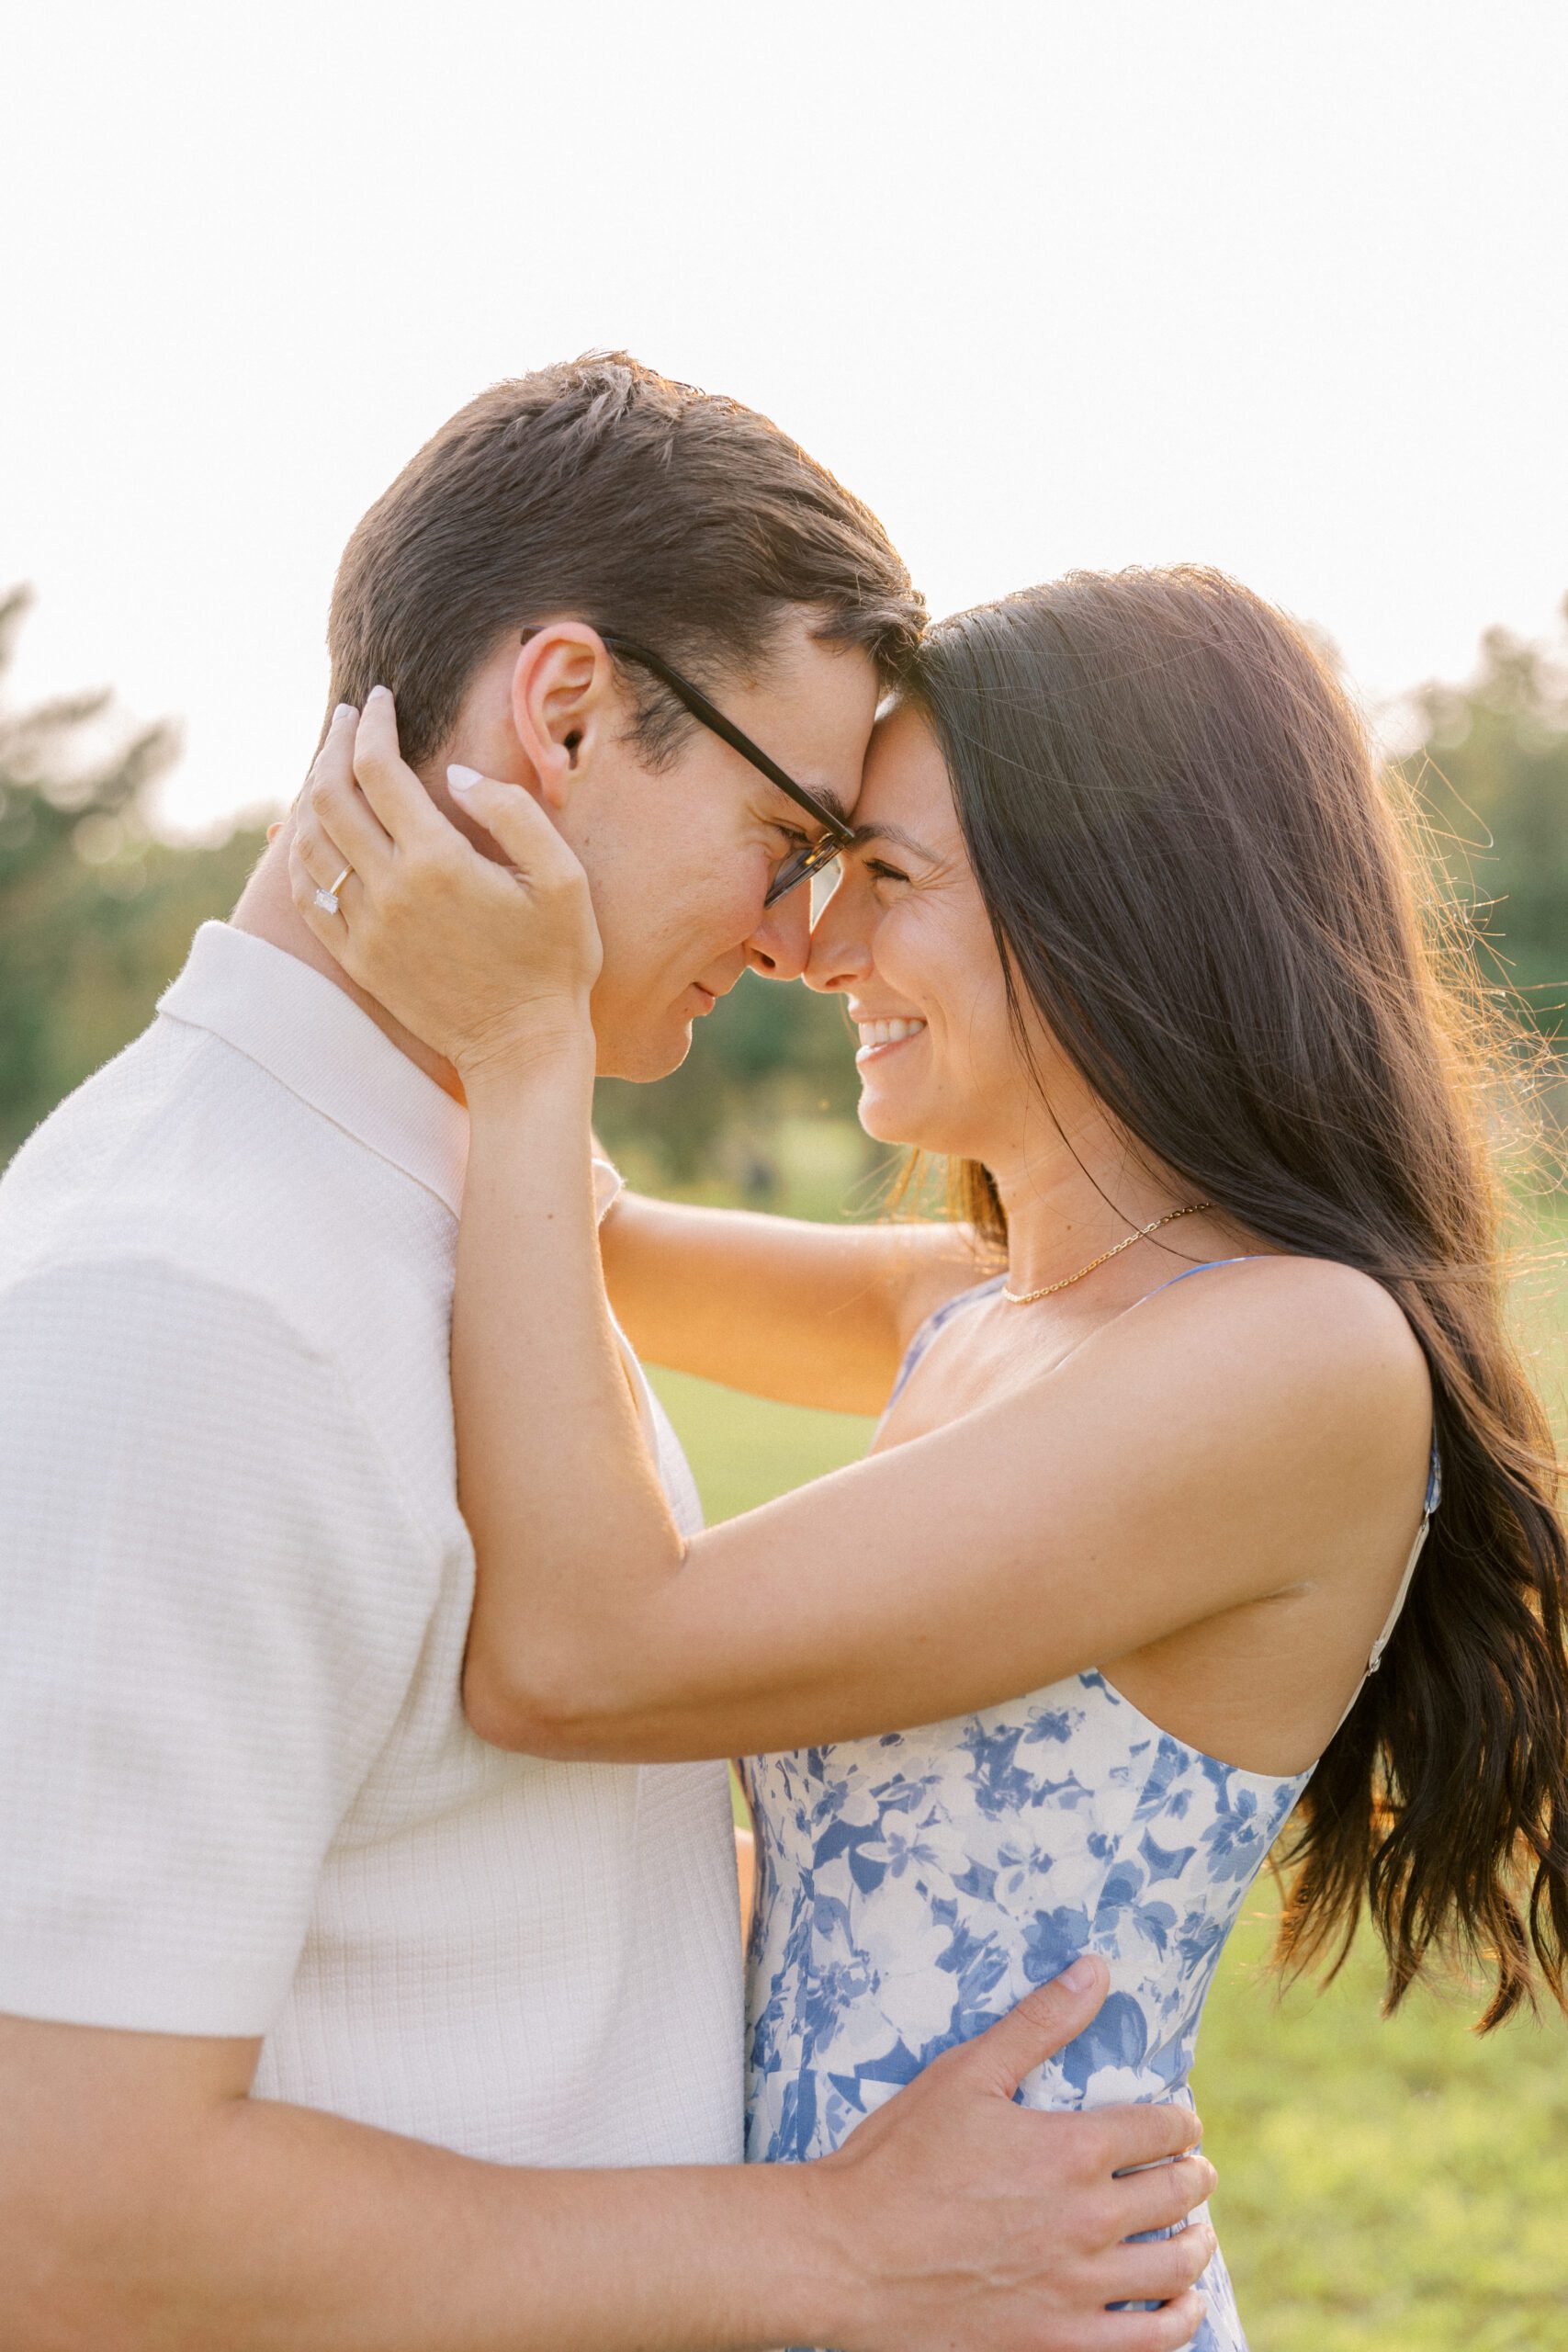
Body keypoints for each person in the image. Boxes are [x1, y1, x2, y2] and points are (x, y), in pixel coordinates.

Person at [0, 359, 1220, 2352]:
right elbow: (61, 2214)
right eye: (785, 826)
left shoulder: (437, 1212)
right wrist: (839, 2247)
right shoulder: (185, 1302)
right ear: (564, 713)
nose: (796, 927)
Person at [290, 564, 1568, 2352]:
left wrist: (525, 1045)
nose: (809, 940)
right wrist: (460, 901)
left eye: (883, 876)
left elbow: (584, 1650)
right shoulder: (971, 1309)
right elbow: (547, 1228)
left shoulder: (1294, 1356)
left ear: (1112, 904)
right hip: (834, 2274)